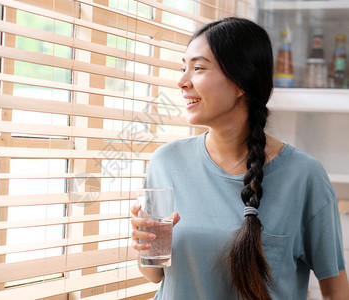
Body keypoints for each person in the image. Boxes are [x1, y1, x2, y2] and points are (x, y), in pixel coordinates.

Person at [131, 17, 348, 300]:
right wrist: (146, 245)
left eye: (197, 68)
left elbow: (336, 291)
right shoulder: (166, 161)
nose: (182, 81)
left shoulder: (304, 176)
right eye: (183, 68)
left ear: (242, 82)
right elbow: (155, 274)